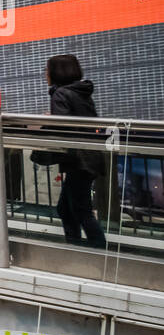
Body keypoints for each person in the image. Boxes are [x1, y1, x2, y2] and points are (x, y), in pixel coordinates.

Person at [44, 53, 107, 249]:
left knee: (80, 209)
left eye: (47, 70)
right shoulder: (81, 91)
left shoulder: (61, 93)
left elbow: (64, 127)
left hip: (77, 158)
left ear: (56, 72)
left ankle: (95, 249)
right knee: (67, 208)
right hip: (88, 154)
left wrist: (46, 122)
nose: (45, 74)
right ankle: (77, 247)